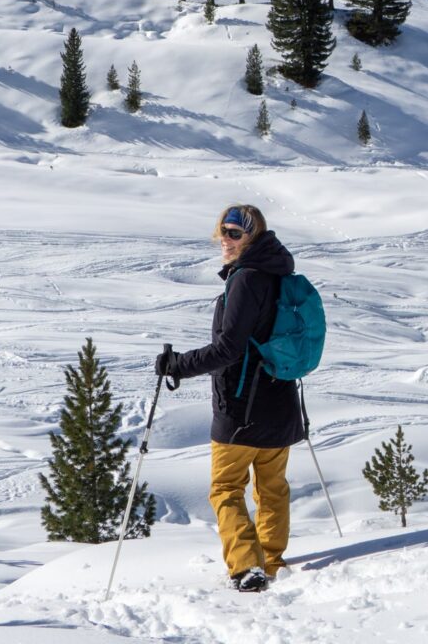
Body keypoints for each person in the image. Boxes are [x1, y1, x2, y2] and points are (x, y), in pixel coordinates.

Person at [156, 203, 303, 593]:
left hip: (241, 406)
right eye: (223, 230)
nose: (226, 238)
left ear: (252, 236)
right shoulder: (279, 274)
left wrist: (177, 365)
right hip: (281, 400)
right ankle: (270, 560)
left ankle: (246, 566)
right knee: (272, 487)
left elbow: (228, 349)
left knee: (225, 489)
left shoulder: (246, 279)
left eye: (235, 233)